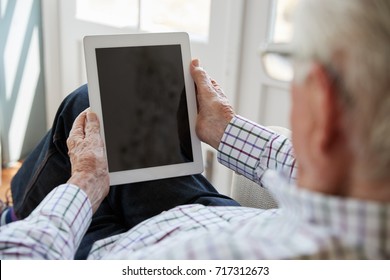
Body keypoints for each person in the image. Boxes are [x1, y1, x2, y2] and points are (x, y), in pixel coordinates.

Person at [1, 0, 390, 259]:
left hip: (118, 248)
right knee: (95, 102)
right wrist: (226, 129)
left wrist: (85, 184)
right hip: (210, 215)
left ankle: (14, 220)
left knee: (82, 117)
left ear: (324, 106)